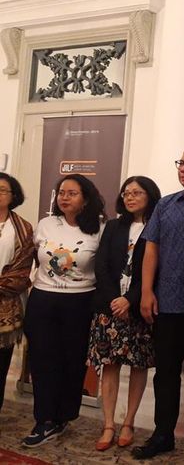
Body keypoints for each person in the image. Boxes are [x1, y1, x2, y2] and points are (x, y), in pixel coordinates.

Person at [132, 145, 184, 463]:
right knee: (165, 374)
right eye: (181, 162)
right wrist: (146, 292)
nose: (183, 168)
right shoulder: (165, 205)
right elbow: (151, 249)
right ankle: (162, 434)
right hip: (165, 303)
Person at [22, 174, 106, 447]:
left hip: (80, 302)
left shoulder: (99, 228)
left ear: (86, 198)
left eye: (72, 193)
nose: (64, 197)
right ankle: (44, 419)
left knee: (72, 362)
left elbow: (106, 269)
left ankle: (64, 416)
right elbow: (31, 258)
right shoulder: (46, 224)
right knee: (43, 361)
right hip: (44, 300)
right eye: (61, 192)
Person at [87, 176, 162, 451]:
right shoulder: (114, 226)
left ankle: (128, 422)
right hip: (109, 308)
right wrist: (114, 300)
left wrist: (130, 300)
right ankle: (109, 424)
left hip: (139, 307)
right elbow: (102, 266)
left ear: (150, 195)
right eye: (126, 193)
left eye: (137, 193)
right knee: (110, 364)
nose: (130, 197)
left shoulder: (158, 226)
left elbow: (157, 269)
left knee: (138, 364)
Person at [0, 173, 34, 414]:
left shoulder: (23, 228)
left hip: (6, 305)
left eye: (2, 189)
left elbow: (22, 270)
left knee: (0, 365)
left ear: (13, 196)